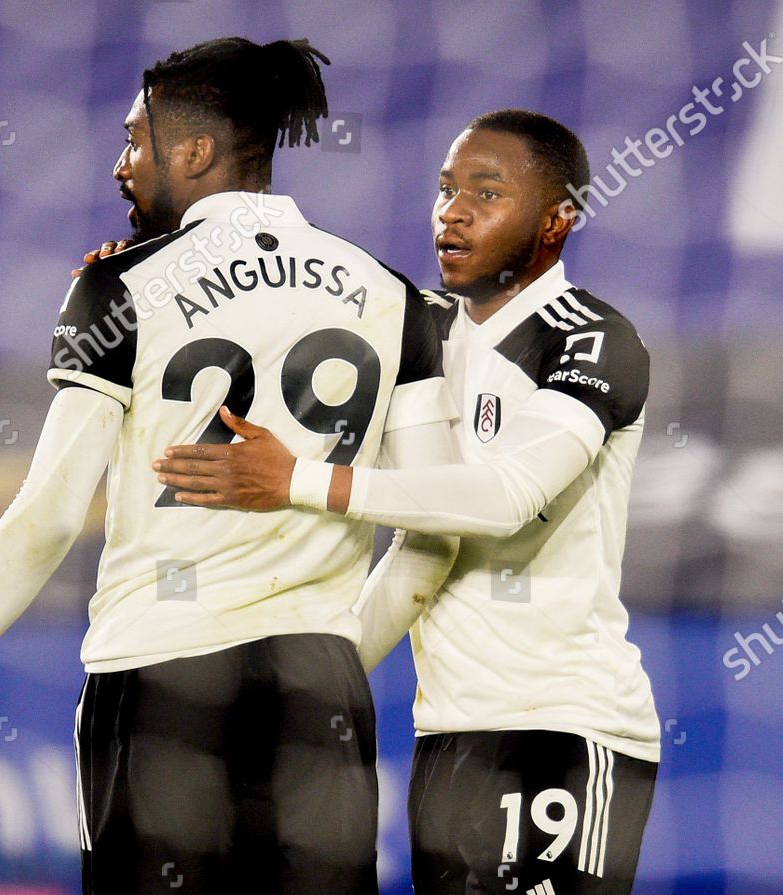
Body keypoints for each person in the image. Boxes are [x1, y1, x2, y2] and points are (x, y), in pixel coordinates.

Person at [0, 37, 457, 895]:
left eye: (134, 141)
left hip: (162, 685)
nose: (121, 166)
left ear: (195, 151)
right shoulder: (400, 298)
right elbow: (433, 538)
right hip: (322, 699)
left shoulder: (120, 287)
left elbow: (47, 515)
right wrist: (330, 653)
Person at [152, 109, 659, 894]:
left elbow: (502, 499)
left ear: (558, 219)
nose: (451, 212)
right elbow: (262, 296)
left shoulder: (593, 339)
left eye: (485, 193)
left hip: (563, 724)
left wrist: (297, 482)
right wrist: (138, 272)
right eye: (445, 189)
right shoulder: (406, 327)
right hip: (445, 736)